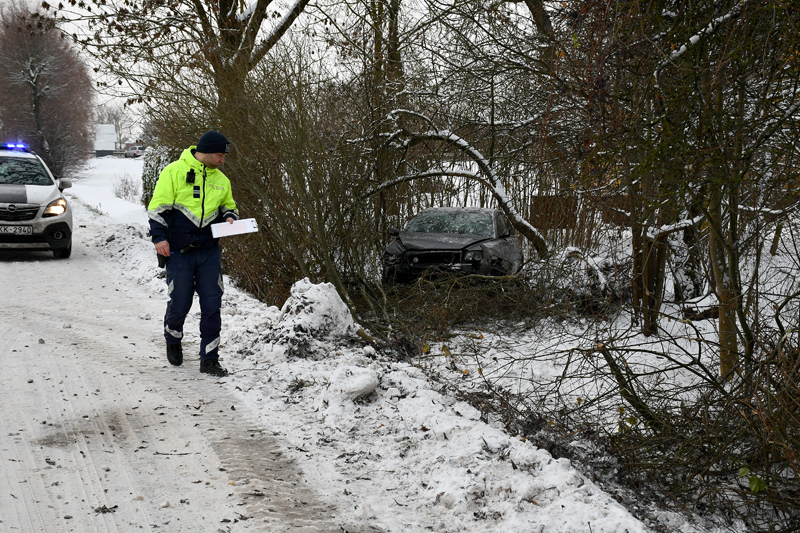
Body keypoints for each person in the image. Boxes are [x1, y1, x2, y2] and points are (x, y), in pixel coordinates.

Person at [147, 130, 239, 377]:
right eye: (220, 155)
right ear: (206, 152)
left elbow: (229, 205)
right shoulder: (174, 172)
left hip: (209, 252)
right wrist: (159, 239)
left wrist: (230, 216)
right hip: (179, 252)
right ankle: (173, 339)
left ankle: (209, 359)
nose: (222, 161)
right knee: (180, 303)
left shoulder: (222, 180)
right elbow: (158, 208)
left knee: (212, 305)